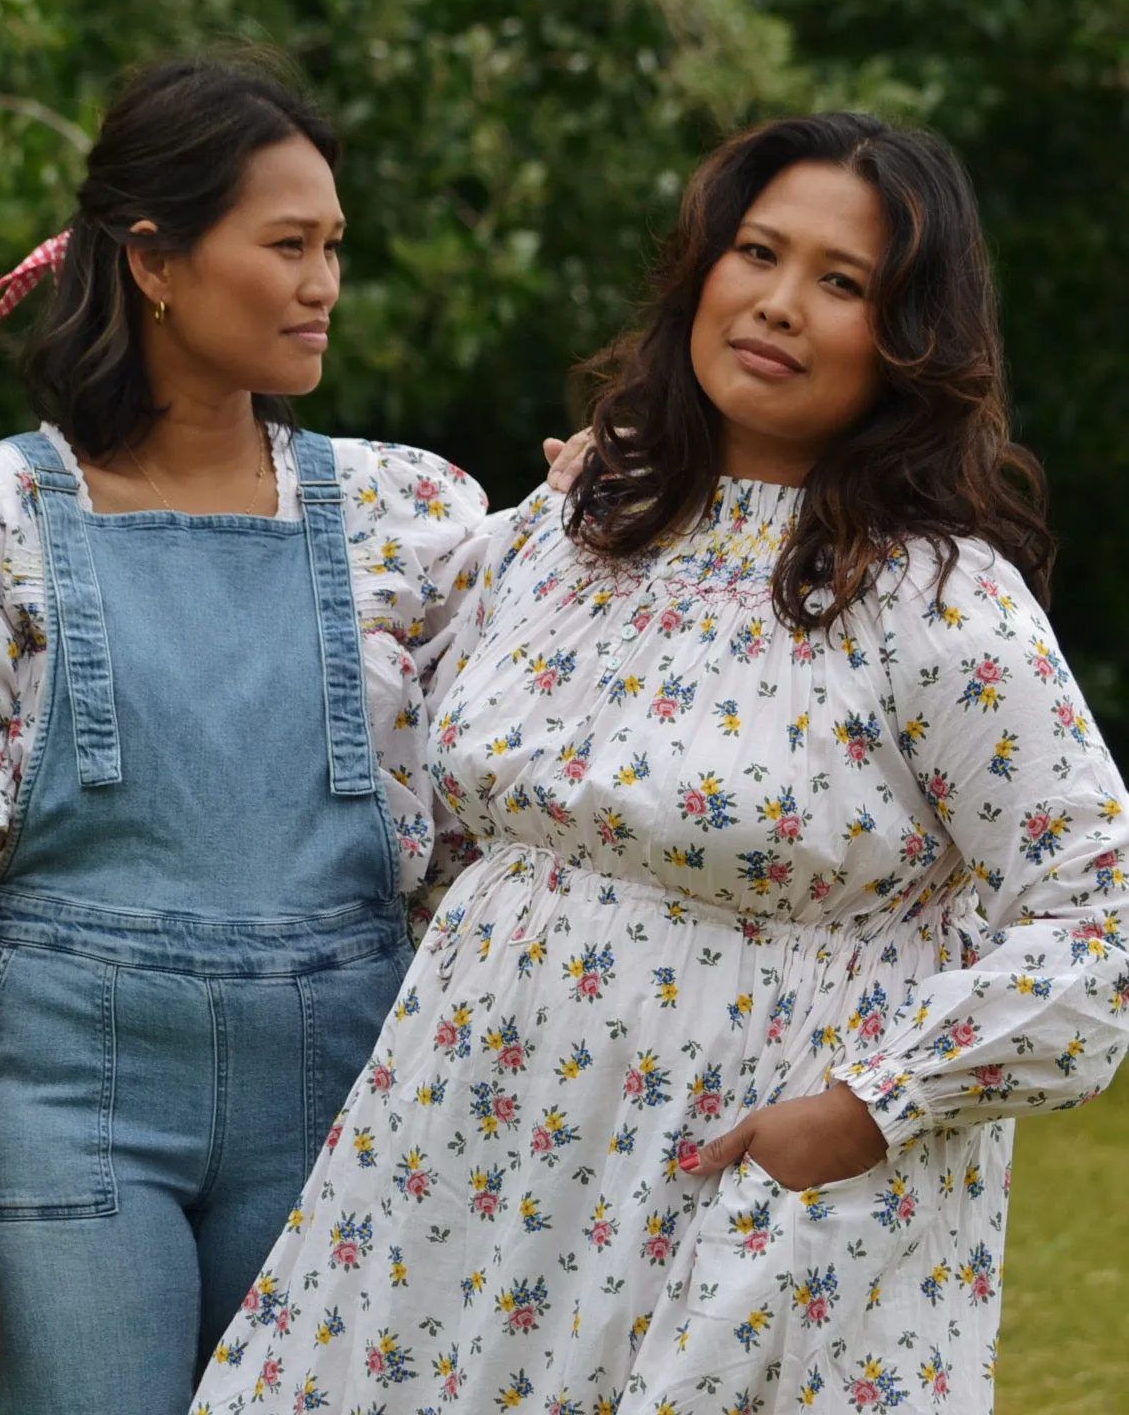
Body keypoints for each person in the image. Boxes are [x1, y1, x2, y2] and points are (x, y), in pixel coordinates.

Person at [191, 112, 1129, 1415]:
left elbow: (1098, 913)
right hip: (460, 1152)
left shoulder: (934, 600)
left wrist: (871, 1106)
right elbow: (360, 662)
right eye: (757, 252)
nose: (781, 304)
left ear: (909, 342)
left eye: (843, 283)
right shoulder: (587, 525)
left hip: (730, 1197)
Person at [0, 57, 583, 1414]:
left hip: (348, 1088)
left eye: (335, 249)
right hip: (68, 1098)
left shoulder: (408, 514)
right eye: (289, 245)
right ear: (156, 261)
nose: (325, 285)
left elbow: (545, 732)